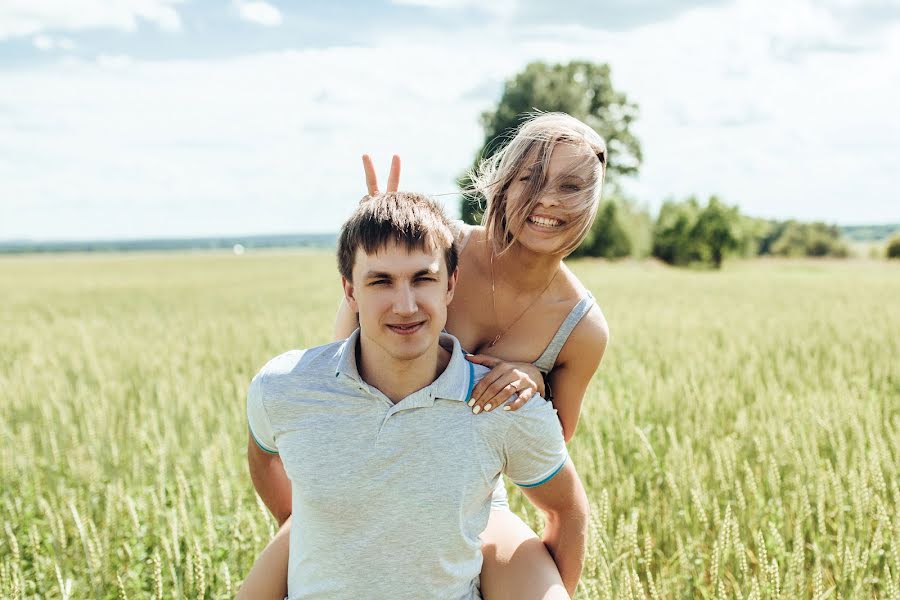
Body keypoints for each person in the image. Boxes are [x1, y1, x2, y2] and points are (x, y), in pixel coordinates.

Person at [240, 112, 610, 599]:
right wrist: (374, 231)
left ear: (593, 197)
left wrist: (532, 384)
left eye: (570, 186)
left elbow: (547, 441)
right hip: (359, 462)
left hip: (469, 495)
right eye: (531, 179)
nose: (548, 199)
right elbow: (345, 355)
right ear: (504, 181)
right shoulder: (441, 248)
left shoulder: (581, 328)